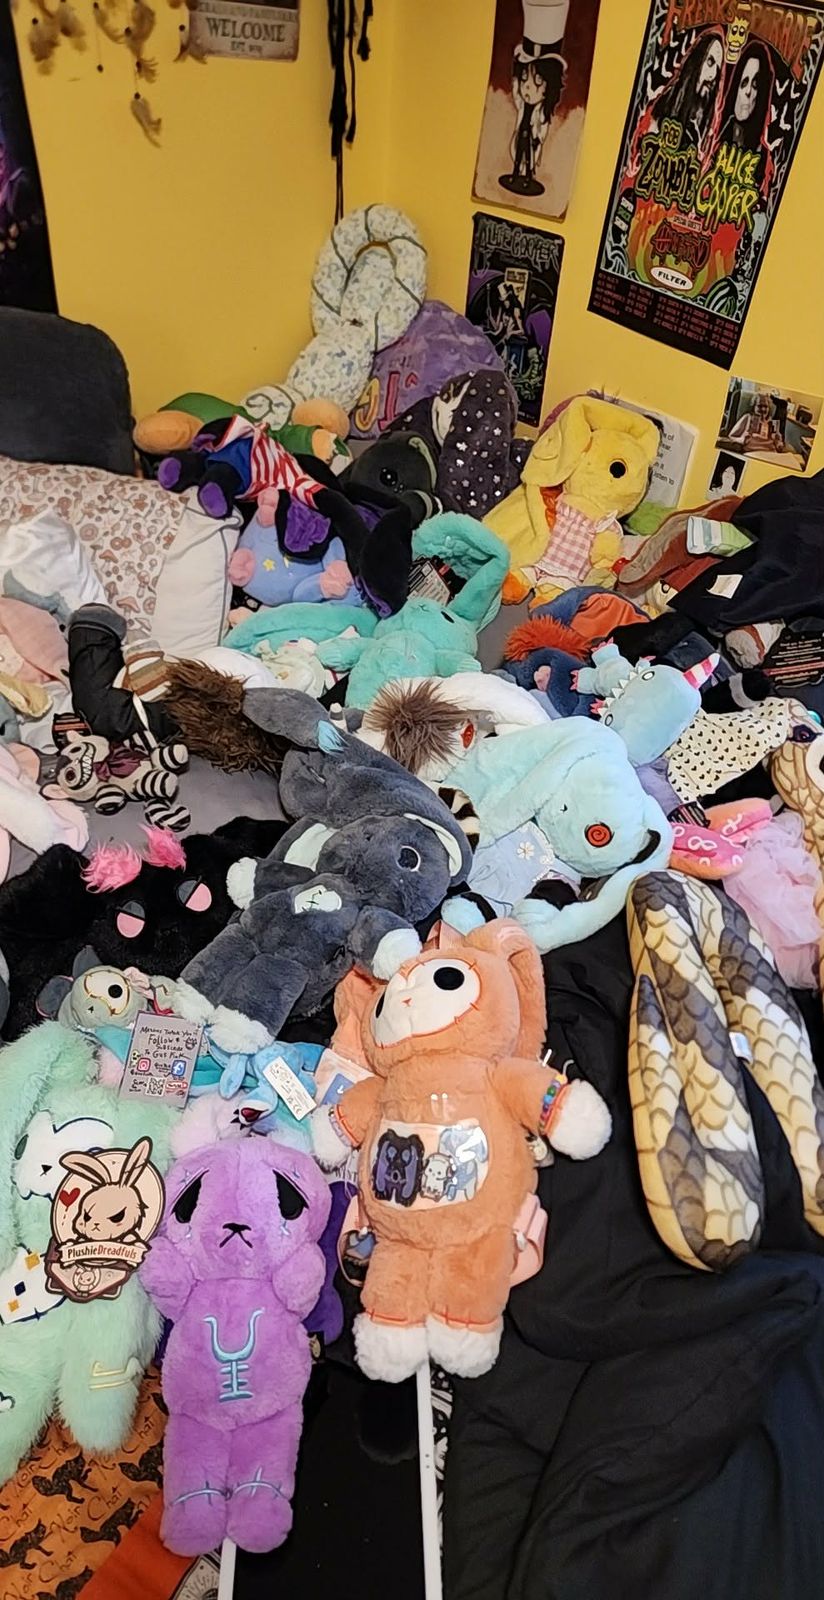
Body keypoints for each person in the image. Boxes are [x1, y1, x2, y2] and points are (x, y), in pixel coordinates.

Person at [652, 30, 724, 153]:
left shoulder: (708, 124)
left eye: (717, 69)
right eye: (710, 62)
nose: (713, 75)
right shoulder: (668, 100)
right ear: (697, 62)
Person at [715, 38, 774, 158]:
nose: (748, 91)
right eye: (744, 83)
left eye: (755, 85)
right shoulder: (716, 138)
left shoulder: (761, 152)